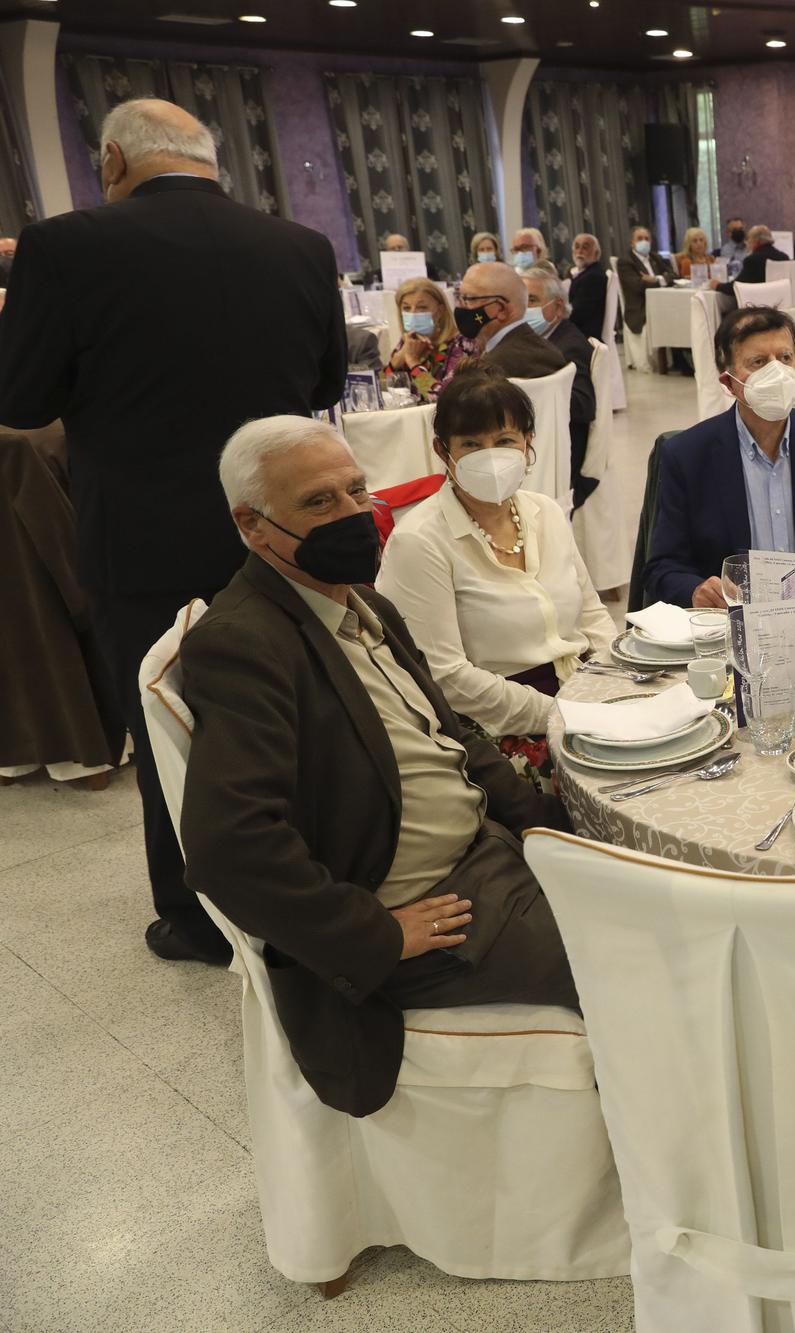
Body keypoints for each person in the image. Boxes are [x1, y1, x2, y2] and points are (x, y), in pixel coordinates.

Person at [0, 98, 346, 966]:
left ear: (112, 161)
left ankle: (195, 917)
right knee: (290, 706)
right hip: (276, 528)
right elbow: (328, 379)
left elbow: (20, 399)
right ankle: (316, 886)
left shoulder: (65, 247)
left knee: (169, 725)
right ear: (210, 160)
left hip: (144, 538)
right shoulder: (299, 247)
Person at [183, 415, 578, 1115]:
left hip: (494, 856)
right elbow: (227, 847)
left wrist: (553, 826)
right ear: (252, 524)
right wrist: (376, 932)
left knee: (665, 903)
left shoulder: (366, 605)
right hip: (442, 912)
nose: (354, 514)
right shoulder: (245, 643)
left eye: (356, 490)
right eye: (318, 502)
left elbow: (453, 736)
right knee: (641, 962)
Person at [375, 368, 615, 786]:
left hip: (580, 696)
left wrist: (616, 685)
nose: (491, 455)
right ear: (442, 450)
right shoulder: (420, 541)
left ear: (528, 444)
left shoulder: (546, 513)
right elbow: (447, 678)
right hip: (493, 728)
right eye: (471, 444)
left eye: (505, 441)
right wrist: (562, 713)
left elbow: (593, 617)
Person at [643, 306, 795, 608]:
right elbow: (661, 567)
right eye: (758, 362)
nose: (775, 371)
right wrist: (696, 589)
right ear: (728, 382)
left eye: (784, 358)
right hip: (734, 624)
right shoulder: (688, 456)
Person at [520, 266, 599, 506]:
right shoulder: (544, 339)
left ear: (557, 306)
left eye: (532, 300)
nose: (524, 308)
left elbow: (583, 405)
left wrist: (534, 395)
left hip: (561, 454)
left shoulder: (568, 345)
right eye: (521, 300)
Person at [455, 261, 567, 379]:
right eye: (460, 298)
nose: (461, 306)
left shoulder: (492, 370)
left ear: (501, 309)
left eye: (470, 299)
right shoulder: (547, 348)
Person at [386, 276, 475, 403]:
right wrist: (398, 359)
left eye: (422, 307)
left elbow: (442, 398)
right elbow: (381, 388)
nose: (413, 313)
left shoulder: (461, 343)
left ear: (440, 311)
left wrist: (413, 362)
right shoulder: (409, 340)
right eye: (406, 308)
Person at [616, 223, 669, 347]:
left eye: (647, 239)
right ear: (631, 243)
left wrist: (655, 279)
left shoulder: (655, 257)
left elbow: (673, 275)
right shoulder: (625, 262)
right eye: (639, 239)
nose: (644, 242)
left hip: (663, 303)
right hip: (641, 307)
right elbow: (638, 286)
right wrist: (661, 281)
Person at [567, 232, 607, 341]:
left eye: (585, 247)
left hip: (584, 335)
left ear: (596, 253)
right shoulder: (584, 274)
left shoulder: (593, 277)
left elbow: (578, 313)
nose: (579, 251)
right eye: (577, 247)